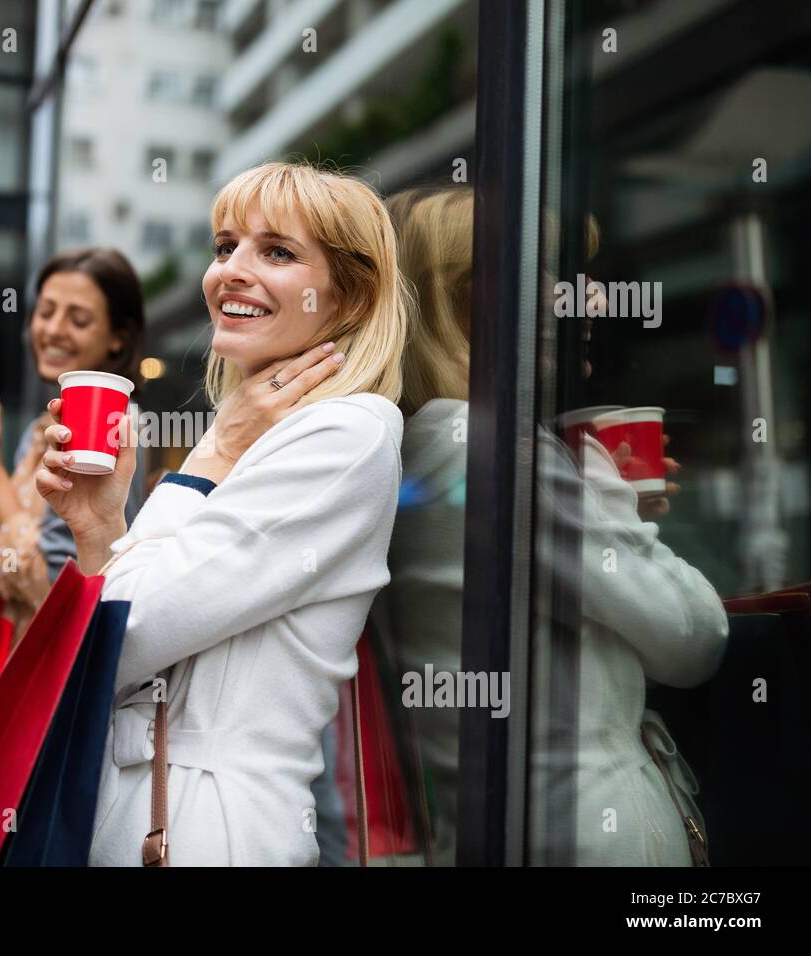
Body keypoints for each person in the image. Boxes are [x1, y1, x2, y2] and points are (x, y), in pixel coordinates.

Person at [36, 162, 412, 866]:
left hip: (211, 829)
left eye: (276, 252)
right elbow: (107, 640)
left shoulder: (348, 433)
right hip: (151, 811)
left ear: (351, 298)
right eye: (224, 246)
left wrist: (210, 458)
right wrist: (98, 526)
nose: (232, 270)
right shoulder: (254, 431)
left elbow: (126, 632)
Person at [379, 184, 728, 866]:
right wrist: (615, 512)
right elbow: (694, 639)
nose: (583, 299)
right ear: (466, 300)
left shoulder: (418, 440)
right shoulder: (496, 448)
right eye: (542, 273)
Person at [0, 248, 147, 642]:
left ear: (117, 339)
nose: (53, 329)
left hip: (54, 670)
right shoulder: (39, 432)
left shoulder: (118, 432)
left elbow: (49, 596)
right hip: (11, 656)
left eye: (78, 319)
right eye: (46, 311)